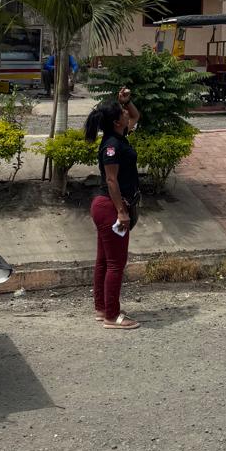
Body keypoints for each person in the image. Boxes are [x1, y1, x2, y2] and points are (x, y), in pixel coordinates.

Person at [84, 89, 141, 330]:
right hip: (110, 207)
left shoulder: (119, 134)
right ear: (117, 121)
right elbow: (111, 180)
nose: (127, 114)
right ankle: (112, 316)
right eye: (122, 112)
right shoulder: (111, 145)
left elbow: (136, 116)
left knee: (104, 261)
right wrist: (121, 211)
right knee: (116, 263)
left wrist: (126, 101)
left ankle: (102, 308)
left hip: (105, 206)